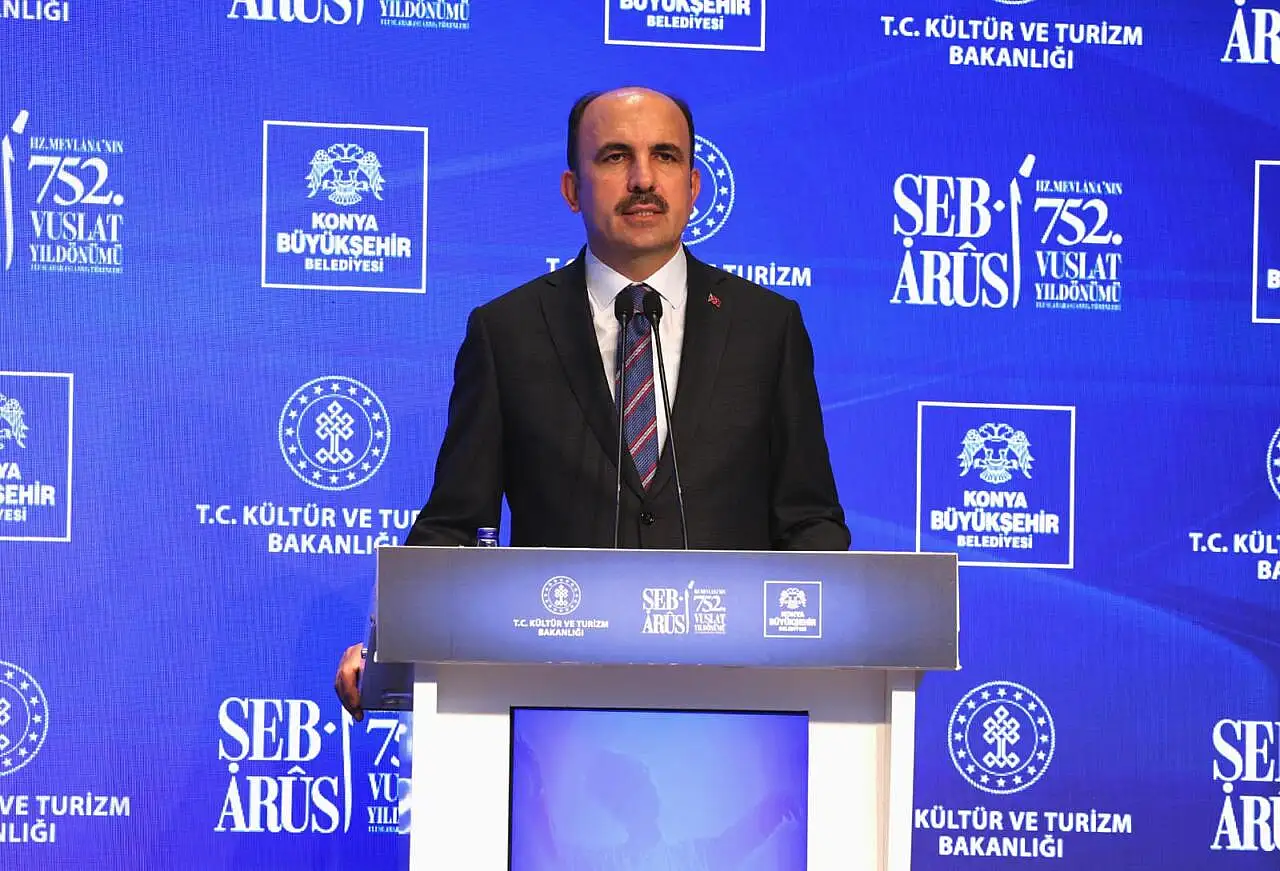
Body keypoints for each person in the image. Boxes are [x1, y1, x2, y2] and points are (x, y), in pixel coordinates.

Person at [335, 86, 849, 719]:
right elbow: (456, 524)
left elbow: (809, 521)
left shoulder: (766, 327)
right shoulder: (508, 332)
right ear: (572, 189)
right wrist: (390, 641)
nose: (643, 179)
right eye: (614, 156)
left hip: (738, 699)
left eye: (665, 156)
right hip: (551, 701)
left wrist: (831, 645)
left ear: (693, 186)